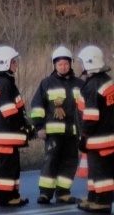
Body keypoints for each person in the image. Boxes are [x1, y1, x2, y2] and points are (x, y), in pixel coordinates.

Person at [28, 45, 81, 204]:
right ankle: (45, 193)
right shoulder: (47, 83)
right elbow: (37, 106)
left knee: (70, 162)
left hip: (72, 132)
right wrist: (39, 127)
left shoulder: (79, 84)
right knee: (51, 161)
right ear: (54, 65)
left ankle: (63, 193)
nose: (63, 67)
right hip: (53, 133)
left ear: (71, 64)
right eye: (60, 64)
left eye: (66, 63)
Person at [0, 45, 30, 207]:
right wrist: (23, 127)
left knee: (10, 167)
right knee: (8, 168)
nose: (16, 65)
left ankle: (12, 195)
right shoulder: (5, 84)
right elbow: (9, 111)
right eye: (13, 62)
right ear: (5, 63)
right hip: (8, 134)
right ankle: (6, 198)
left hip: (3, 134)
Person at [74, 45, 113, 213]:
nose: (81, 66)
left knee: (101, 171)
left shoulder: (92, 86)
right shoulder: (106, 80)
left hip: (97, 138)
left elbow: (91, 116)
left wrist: (84, 137)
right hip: (107, 135)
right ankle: (93, 195)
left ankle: (102, 201)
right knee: (95, 169)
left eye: (83, 63)